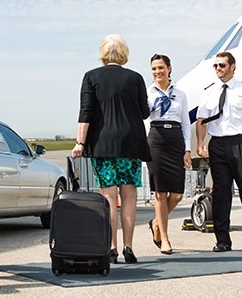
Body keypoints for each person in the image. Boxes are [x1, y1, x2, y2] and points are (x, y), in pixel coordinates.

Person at [71, 34, 150, 264]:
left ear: (103, 52)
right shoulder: (136, 78)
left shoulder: (91, 77)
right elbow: (145, 113)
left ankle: (112, 248)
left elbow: (85, 112)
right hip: (131, 145)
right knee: (129, 196)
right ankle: (129, 248)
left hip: (103, 145)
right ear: (124, 52)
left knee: (108, 197)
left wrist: (80, 143)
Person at [196, 51, 242, 253]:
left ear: (232, 66)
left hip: (240, 143)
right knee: (220, 193)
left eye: (222, 65)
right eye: (215, 66)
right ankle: (222, 241)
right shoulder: (208, 92)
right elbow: (202, 120)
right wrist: (201, 141)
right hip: (217, 145)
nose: (218, 69)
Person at [146, 54, 192, 255]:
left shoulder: (180, 94)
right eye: (154, 69)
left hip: (175, 140)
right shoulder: (147, 93)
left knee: (178, 194)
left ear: (169, 68)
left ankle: (156, 222)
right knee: (160, 192)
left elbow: (185, 124)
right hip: (156, 139)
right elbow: (145, 118)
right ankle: (164, 237)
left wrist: (187, 149)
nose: (158, 72)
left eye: (161, 68)